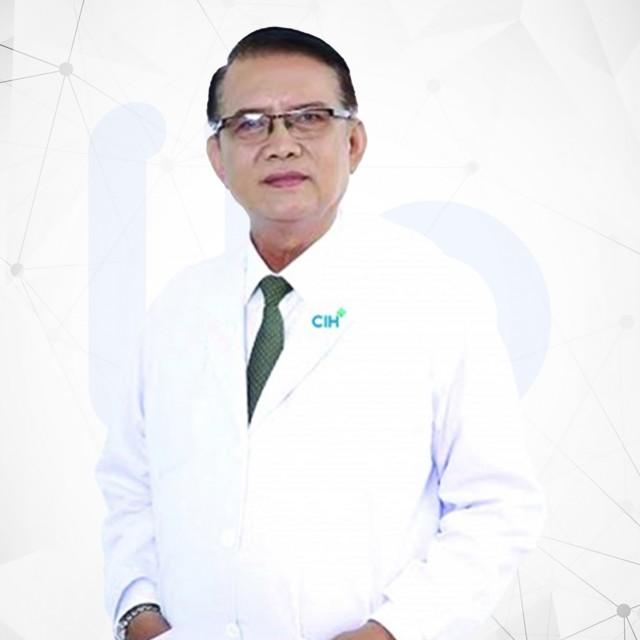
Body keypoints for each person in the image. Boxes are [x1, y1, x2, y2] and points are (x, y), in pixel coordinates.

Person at [95, 25, 547, 640]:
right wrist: (138, 614)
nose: (281, 145)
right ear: (218, 158)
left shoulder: (433, 295)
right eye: (250, 123)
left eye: (309, 118)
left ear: (353, 142)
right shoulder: (177, 308)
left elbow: (497, 505)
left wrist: (391, 631)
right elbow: (130, 485)